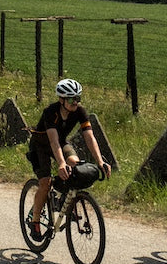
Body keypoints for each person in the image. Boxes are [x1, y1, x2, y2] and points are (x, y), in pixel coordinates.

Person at [25, 78, 112, 241]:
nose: (75, 102)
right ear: (61, 99)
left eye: (78, 98)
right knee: (45, 183)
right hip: (41, 146)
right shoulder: (50, 112)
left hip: (61, 142)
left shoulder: (79, 111)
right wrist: (61, 163)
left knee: (76, 164)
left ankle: (64, 197)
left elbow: (89, 137)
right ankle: (35, 220)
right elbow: (53, 141)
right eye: (72, 99)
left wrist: (100, 162)